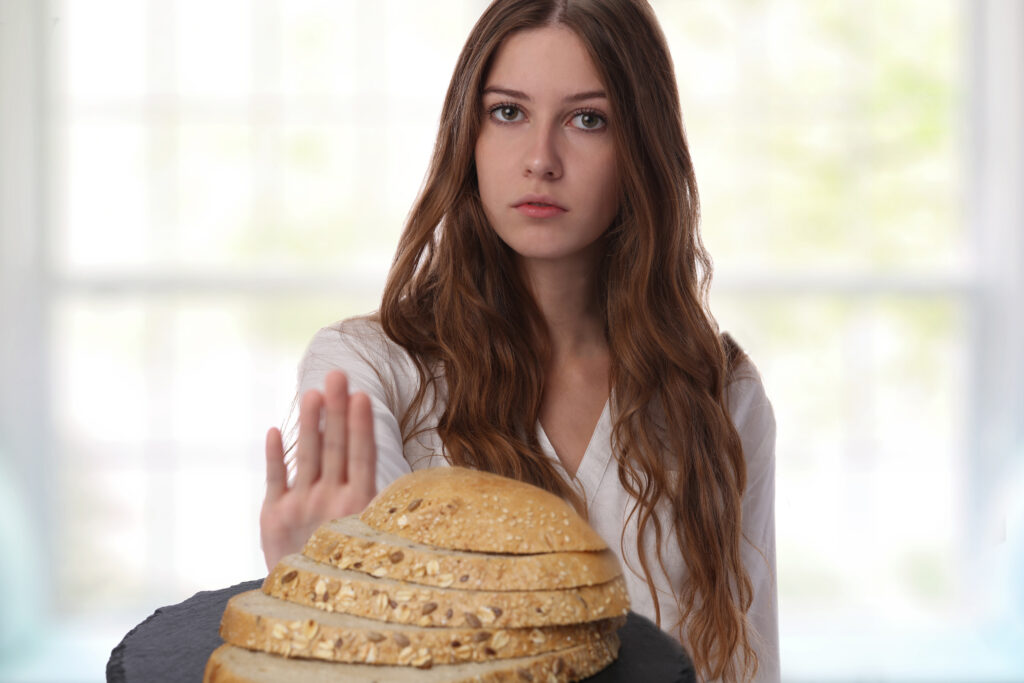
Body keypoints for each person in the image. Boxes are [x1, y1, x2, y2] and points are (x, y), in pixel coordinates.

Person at [258, 1, 778, 681]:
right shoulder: (370, 373)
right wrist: (324, 603)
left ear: (642, 147)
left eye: (587, 120)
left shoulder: (723, 396)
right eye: (508, 112)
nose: (541, 159)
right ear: (466, 134)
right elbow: (394, 649)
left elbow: (748, 663)